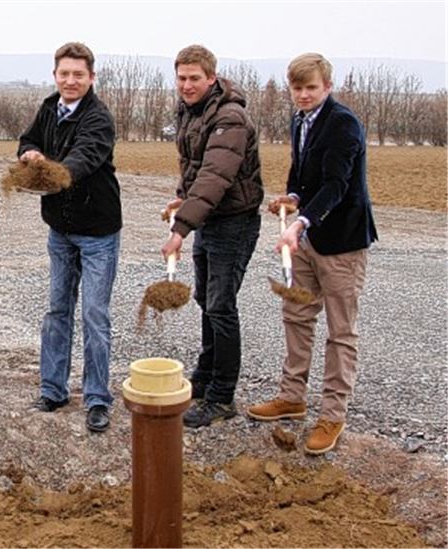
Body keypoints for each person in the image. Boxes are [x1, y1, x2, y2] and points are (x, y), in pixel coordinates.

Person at [247, 53, 377, 455]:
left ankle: (333, 414)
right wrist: (294, 197)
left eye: (311, 88)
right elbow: (304, 174)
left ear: (328, 87)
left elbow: (337, 185)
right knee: (297, 316)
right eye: (297, 88)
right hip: (303, 237)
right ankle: (292, 396)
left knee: (341, 332)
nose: (303, 95)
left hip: (341, 242)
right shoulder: (300, 121)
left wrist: (301, 223)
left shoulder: (343, 124)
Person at [17, 42, 121, 433]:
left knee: (94, 314)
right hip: (60, 229)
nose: (71, 80)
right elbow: (27, 140)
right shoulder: (49, 108)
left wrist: (52, 170)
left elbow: (83, 159)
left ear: (91, 78)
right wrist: (30, 155)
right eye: (65, 73)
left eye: (79, 74)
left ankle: (97, 398)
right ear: (55, 75)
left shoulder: (99, 118)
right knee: (56, 309)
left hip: (97, 231)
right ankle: (53, 389)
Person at [160, 45, 263, 429]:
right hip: (211, 218)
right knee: (207, 298)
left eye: (194, 79)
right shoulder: (192, 111)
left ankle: (222, 396)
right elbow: (196, 168)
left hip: (233, 222)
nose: (186, 86)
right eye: (182, 78)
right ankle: (205, 377)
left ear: (212, 78)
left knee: (221, 305)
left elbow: (216, 176)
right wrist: (183, 198)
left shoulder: (230, 118)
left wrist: (181, 229)